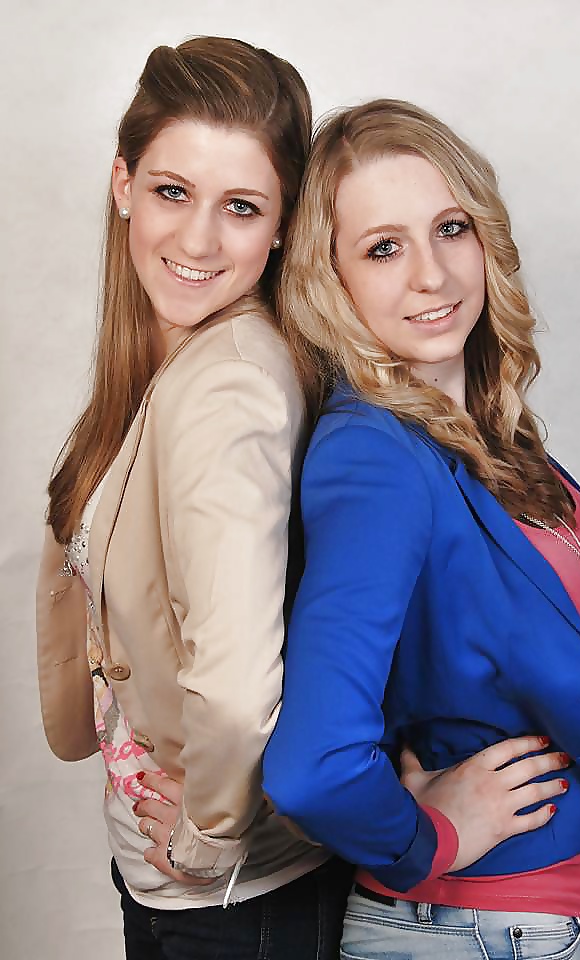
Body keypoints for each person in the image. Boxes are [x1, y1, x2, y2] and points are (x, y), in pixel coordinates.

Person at [263, 99, 580, 960]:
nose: (429, 275)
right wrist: (429, 838)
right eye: (382, 248)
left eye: (449, 228)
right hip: (467, 928)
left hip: (523, 922)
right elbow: (312, 764)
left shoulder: (485, 435)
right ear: (331, 278)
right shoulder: (374, 453)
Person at [36, 36, 352, 960]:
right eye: (172, 191)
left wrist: (207, 835)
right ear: (123, 184)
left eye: (241, 207)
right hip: (180, 887)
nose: (199, 240)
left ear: (283, 225)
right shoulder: (175, 358)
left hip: (235, 901)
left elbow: (238, 680)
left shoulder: (229, 384)